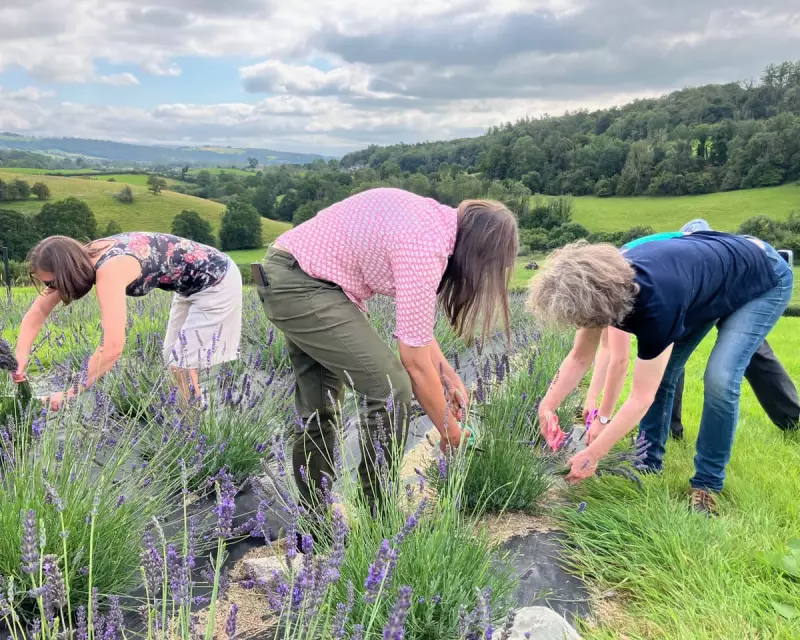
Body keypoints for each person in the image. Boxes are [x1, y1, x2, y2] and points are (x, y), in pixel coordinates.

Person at [256, 187, 518, 508]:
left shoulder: (433, 223)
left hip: (297, 275)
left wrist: (447, 376)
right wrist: (450, 432)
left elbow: (416, 334)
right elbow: (414, 364)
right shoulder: (425, 248)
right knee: (390, 389)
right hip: (304, 283)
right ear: (480, 254)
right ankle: (378, 515)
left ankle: (316, 526)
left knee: (320, 407)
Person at [530, 230, 793, 516]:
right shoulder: (599, 286)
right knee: (666, 372)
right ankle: (647, 460)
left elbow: (641, 396)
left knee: (721, 376)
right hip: (709, 280)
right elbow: (580, 357)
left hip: (763, 276)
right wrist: (547, 405)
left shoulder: (656, 305)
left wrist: (594, 453)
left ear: (602, 306)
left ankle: (707, 484)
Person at [584, 219, 799, 439]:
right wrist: (593, 403)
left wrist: (603, 417)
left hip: (736, 282)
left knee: (749, 354)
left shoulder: (636, 276)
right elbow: (606, 349)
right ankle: (669, 430)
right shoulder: (620, 276)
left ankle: (792, 420)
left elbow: (618, 358)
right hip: (692, 292)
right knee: (668, 355)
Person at [14, 233, 242, 408]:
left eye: (51, 283)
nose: (51, 290)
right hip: (189, 286)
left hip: (216, 280)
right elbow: (38, 312)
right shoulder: (82, 258)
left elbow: (112, 348)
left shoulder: (110, 269)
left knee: (181, 362)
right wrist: (21, 356)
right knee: (172, 357)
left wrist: (69, 393)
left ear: (66, 272)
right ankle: (188, 419)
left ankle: (193, 429)